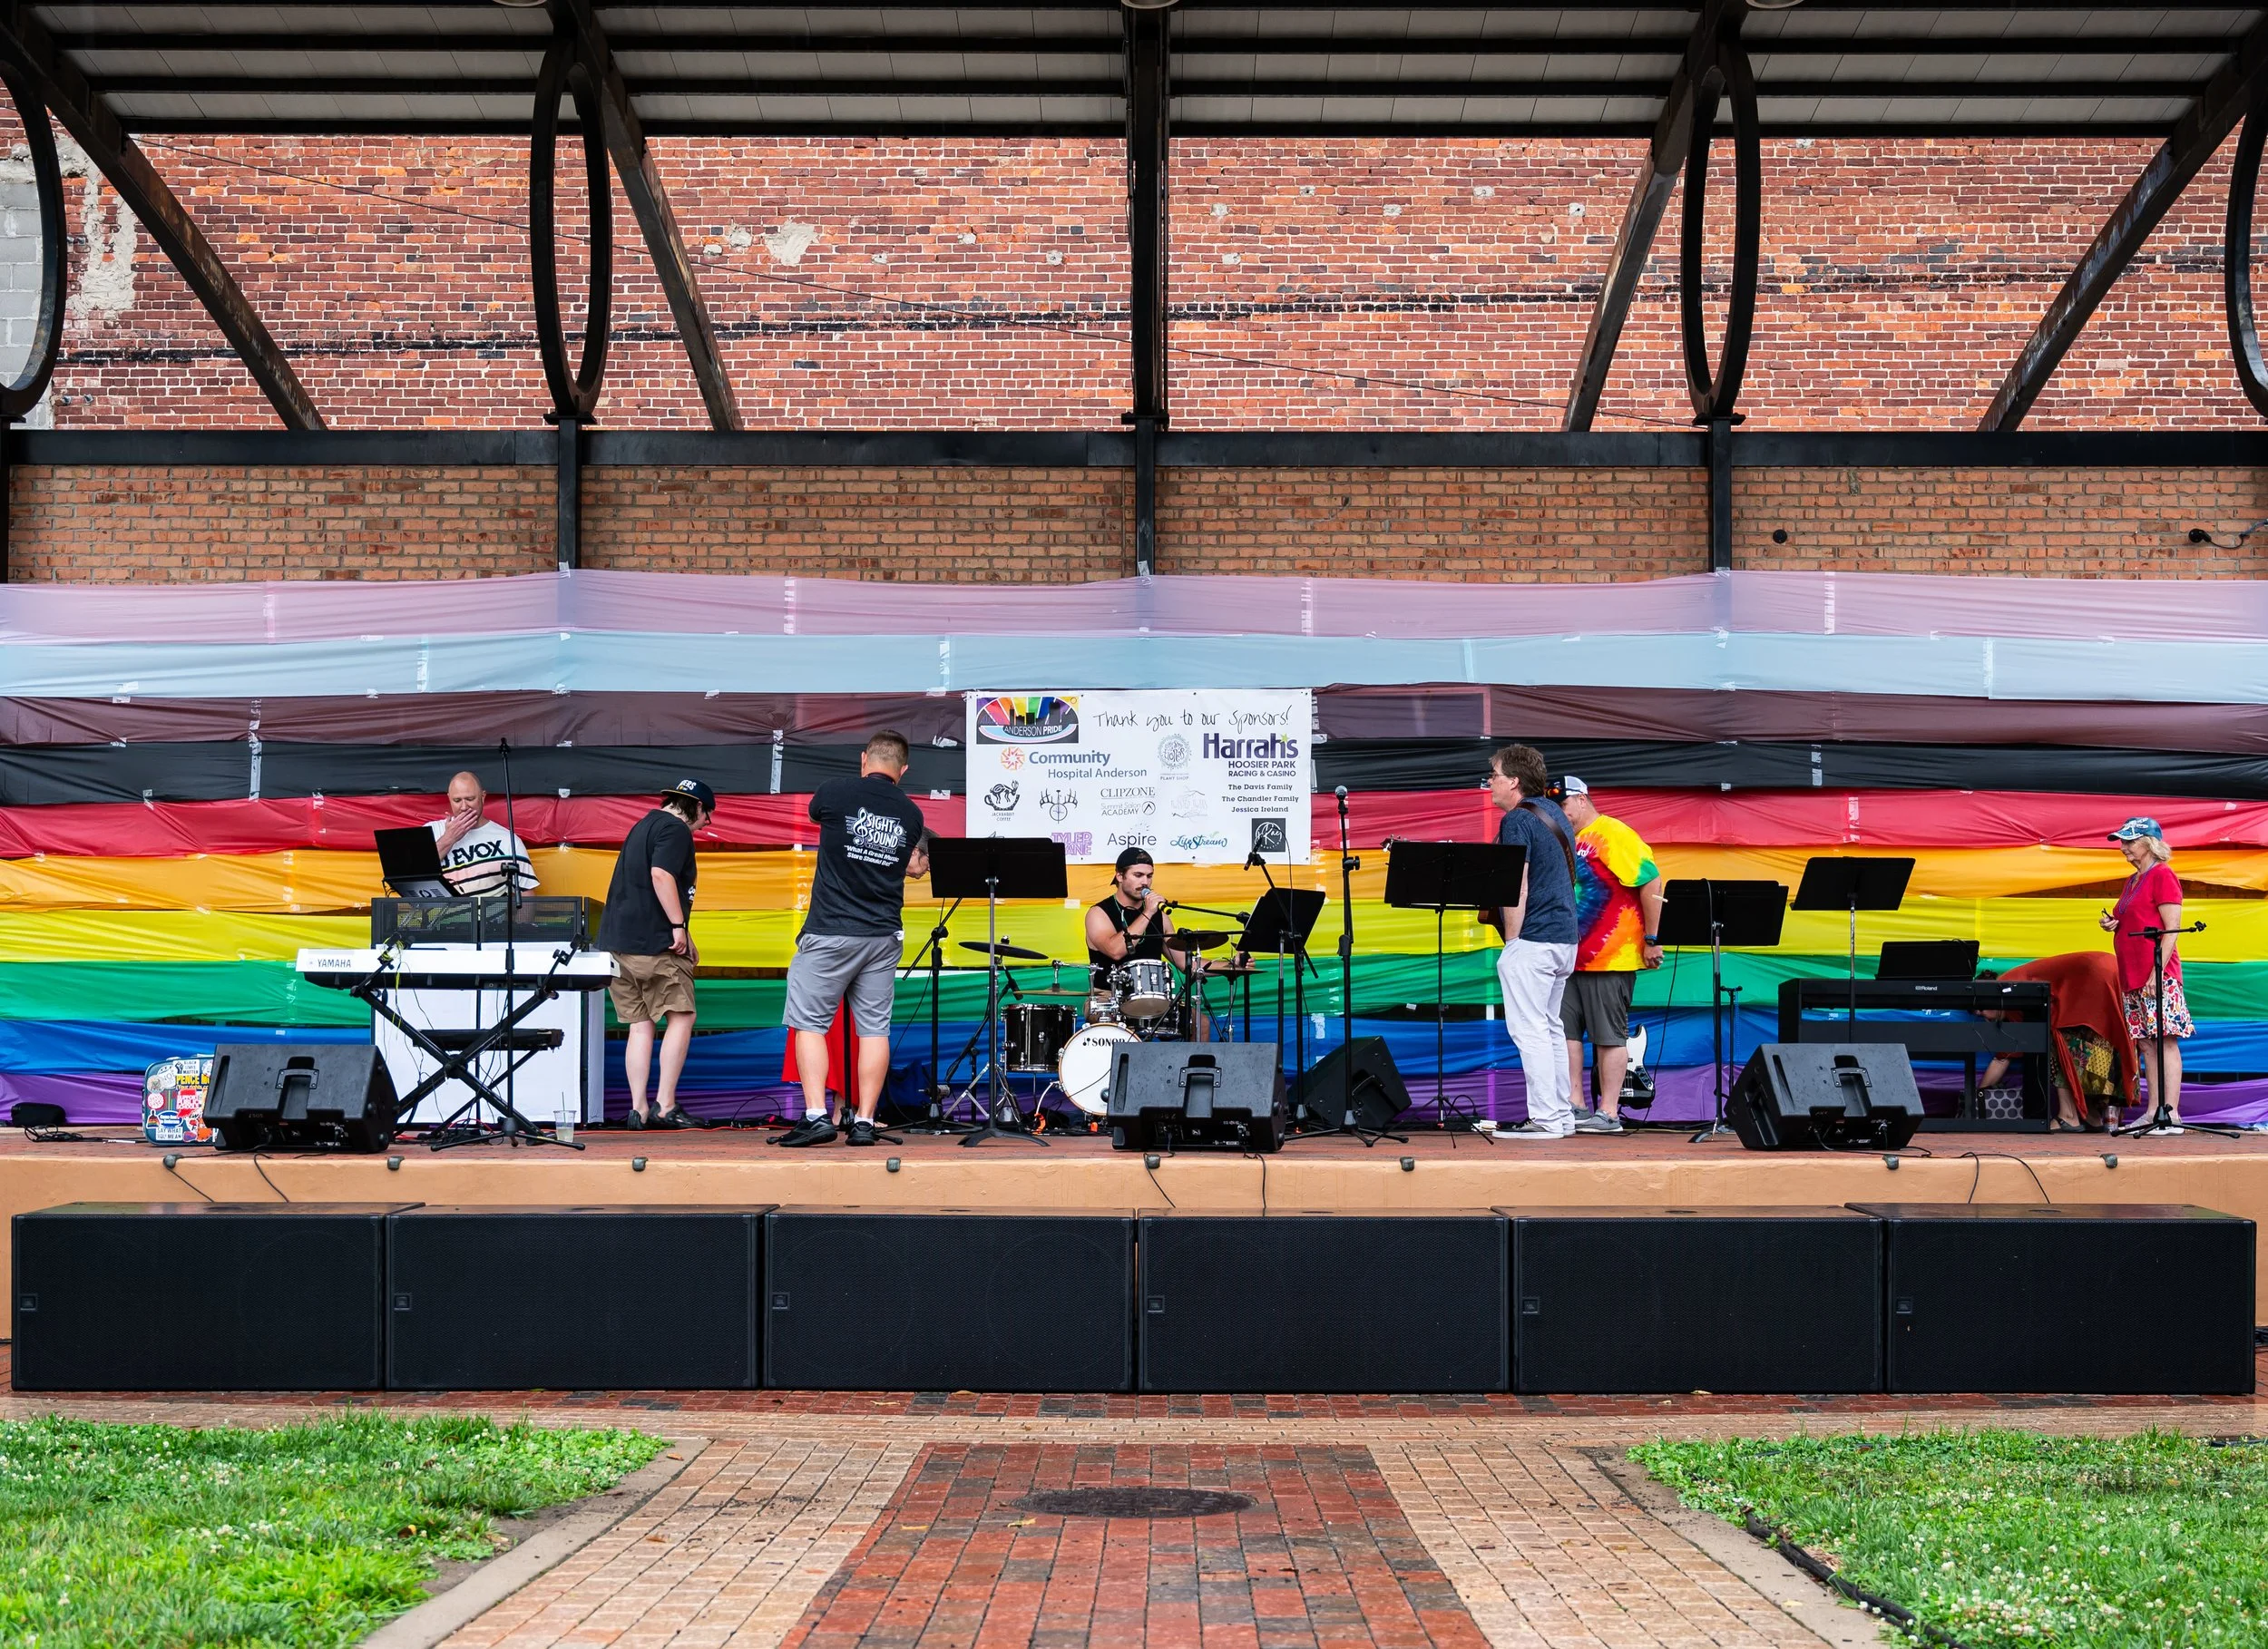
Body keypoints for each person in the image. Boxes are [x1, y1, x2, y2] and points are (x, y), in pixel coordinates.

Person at [776, 730, 931, 1147]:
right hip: (882, 934)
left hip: (830, 930)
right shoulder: (911, 814)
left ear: (864, 759)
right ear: (904, 770)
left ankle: (815, 1116)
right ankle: (863, 1121)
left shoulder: (834, 792)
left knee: (809, 1023)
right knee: (874, 1029)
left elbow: (815, 814)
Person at [597, 777, 713, 1129]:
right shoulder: (676, 830)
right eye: (707, 814)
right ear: (695, 806)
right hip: (655, 944)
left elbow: (642, 889)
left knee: (640, 1025)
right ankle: (665, 1104)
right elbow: (661, 875)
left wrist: (684, 931)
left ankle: (639, 1109)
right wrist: (677, 926)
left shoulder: (642, 826)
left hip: (619, 944)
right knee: (681, 1016)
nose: (707, 823)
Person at [1556, 776, 1664, 1136]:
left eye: (1563, 803)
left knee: (1608, 1036)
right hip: (1569, 955)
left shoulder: (1612, 833)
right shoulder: (1568, 840)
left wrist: (1652, 938)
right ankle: (1576, 1106)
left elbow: (1650, 881)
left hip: (1610, 957)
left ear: (1583, 800)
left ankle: (1610, 1112)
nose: (1559, 810)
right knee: (1567, 1033)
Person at [1485, 744, 1581, 1139]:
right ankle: (1562, 1116)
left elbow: (1516, 885)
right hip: (1565, 939)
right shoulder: (1556, 813)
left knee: (1530, 1031)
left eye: (1493, 774)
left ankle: (1544, 1120)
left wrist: (1512, 941)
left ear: (1514, 781)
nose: (1489, 782)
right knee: (1551, 1028)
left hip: (1535, 939)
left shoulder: (1517, 821)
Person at [1977, 952, 2137, 1131]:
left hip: (2094, 974)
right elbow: (2004, 1055)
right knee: (2090, 1040)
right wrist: (1980, 1095)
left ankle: (2068, 1116)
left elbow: (2002, 1058)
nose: (1984, 1019)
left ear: (1989, 1000)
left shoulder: (2007, 991)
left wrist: (1977, 1096)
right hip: (2111, 966)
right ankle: (2092, 1116)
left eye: (1981, 1012)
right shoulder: (2010, 989)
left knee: (2057, 1041)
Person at [2102, 816, 2192, 1131]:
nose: (2124, 848)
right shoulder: (2133, 880)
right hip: (2133, 974)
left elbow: (2172, 929)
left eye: (2129, 841)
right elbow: (2133, 917)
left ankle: (2172, 1113)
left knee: (2165, 1040)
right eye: (2123, 842)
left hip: (2157, 974)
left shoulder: (2163, 875)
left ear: (2150, 843)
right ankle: (2155, 1111)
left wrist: (2157, 972)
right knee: (2146, 1044)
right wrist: (2113, 923)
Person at [427, 770, 537, 897]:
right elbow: (412, 876)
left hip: (489, 916)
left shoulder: (508, 840)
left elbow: (526, 895)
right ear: (449, 799)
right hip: (441, 915)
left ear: (483, 797)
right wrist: (449, 838)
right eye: (457, 800)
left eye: (470, 799)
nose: (464, 807)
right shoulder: (432, 831)